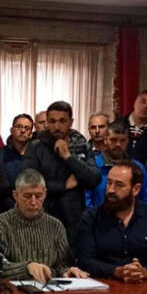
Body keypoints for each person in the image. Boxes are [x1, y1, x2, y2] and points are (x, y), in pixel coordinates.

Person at [75, 161, 147, 282]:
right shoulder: (91, 218)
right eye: (109, 183)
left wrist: (146, 272)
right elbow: (85, 261)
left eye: (119, 185)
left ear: (136, 189)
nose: (111, 190)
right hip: (104, 287)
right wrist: (117, 271)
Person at [0, 169, 87, 283]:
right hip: (12, 292)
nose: (33, 202)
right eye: (27, 196)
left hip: (50, 291)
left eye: (38, 196)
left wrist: (67, 271)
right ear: (15, 195)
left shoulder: (55, 225)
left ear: (45, 194)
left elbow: (62, 263)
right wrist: (27, 268)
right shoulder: (0, 224)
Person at [24, 101, 100, 242]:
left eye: (62, 121)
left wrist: (68, 157)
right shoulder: (35, 147)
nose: (57, 126)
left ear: (71, 122)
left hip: (75, 218)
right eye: (52, 121)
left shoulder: (81, 144)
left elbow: (94, 179)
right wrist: (63, 186)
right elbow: (30, 184)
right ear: (46, 122)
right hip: (44, 217)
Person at [88, 122, 147, 208]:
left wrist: (138, 219)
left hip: (131, 219)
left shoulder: (137, 168)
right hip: (99, 219)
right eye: (113, 140)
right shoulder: (93, 166)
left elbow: (146, 198)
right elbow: (86, 199)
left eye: (122, 140)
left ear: (128, 141)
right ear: (105, 140)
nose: (118, 144)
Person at [0, 113, 33, 224]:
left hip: (31, 213)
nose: (22, 131)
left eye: (27, 128)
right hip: (4, 215)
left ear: (31, 134)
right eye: (19, 127)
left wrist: (4, 185)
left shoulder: (37, 156)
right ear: (12, 130)